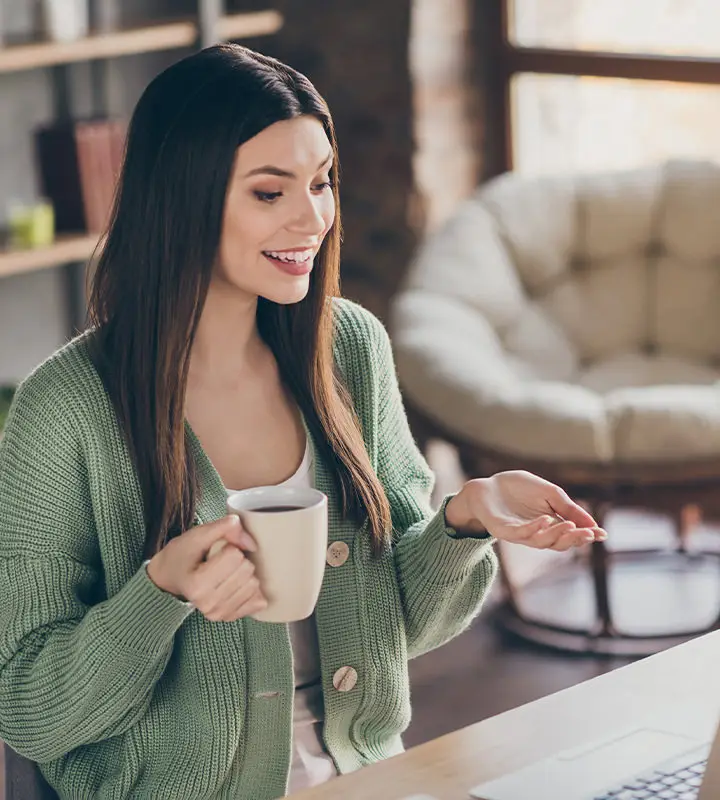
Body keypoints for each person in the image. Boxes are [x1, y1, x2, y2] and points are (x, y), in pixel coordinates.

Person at [0, 44, 607, 800]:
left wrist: (465, 519)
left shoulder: (347, 350)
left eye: (322, 182)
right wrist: (160, 594)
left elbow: (404, 626)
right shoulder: (64, 409)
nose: (313, 216)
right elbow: (30, 710)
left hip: (372, 778)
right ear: (183, 196)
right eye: (269, 192)